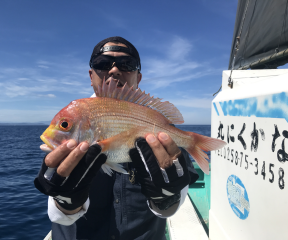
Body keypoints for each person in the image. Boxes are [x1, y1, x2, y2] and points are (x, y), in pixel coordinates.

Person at [34, 36, 199, 240]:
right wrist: (65, 200)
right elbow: (58, 216)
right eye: (102, 64)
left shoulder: (163, 133)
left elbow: (170, 208)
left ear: (138, 77)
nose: (113, 70)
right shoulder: (78, 118)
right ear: (91, 75)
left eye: (126, 64)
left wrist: (166, 198)